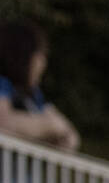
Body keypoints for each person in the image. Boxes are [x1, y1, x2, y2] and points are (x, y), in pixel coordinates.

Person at [0, 21, 79, 151]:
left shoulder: (33, 95)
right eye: (40, 54)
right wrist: (47, 127)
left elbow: (70, 136)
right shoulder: (2, 84)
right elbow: (3, 123)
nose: (43, 62)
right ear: (22, 53)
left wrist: (52, 128)